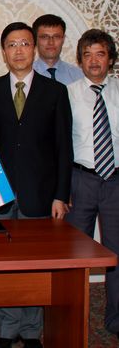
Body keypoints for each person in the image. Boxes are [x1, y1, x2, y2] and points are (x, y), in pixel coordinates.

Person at [0, 22, 73, 348]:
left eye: (24, 44)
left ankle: (31, 330)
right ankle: (6, 329)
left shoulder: (55, 92)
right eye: (12, 45)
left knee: (36, 264)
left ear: (34, 49)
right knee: (1, 265)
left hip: (40, 194)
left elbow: (63, 147)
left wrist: (61, 194)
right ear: (3, 52)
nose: (18, 51)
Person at [65, 29, 119, 339]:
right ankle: (72, 318)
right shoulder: (68, 94)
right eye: (87, 55)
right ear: (80, 60)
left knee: (116, 253)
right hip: (80, 180)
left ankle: (116, 318)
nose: (94, 61)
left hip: (116, 182)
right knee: (74, 254)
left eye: (100, 54)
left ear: (110, 59)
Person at [32, 14, 83, 84]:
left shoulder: (79, 76)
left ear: (63, 39)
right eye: (45, 37)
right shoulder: (26, 75)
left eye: (56, 37)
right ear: (35, 39)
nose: (51, 42)